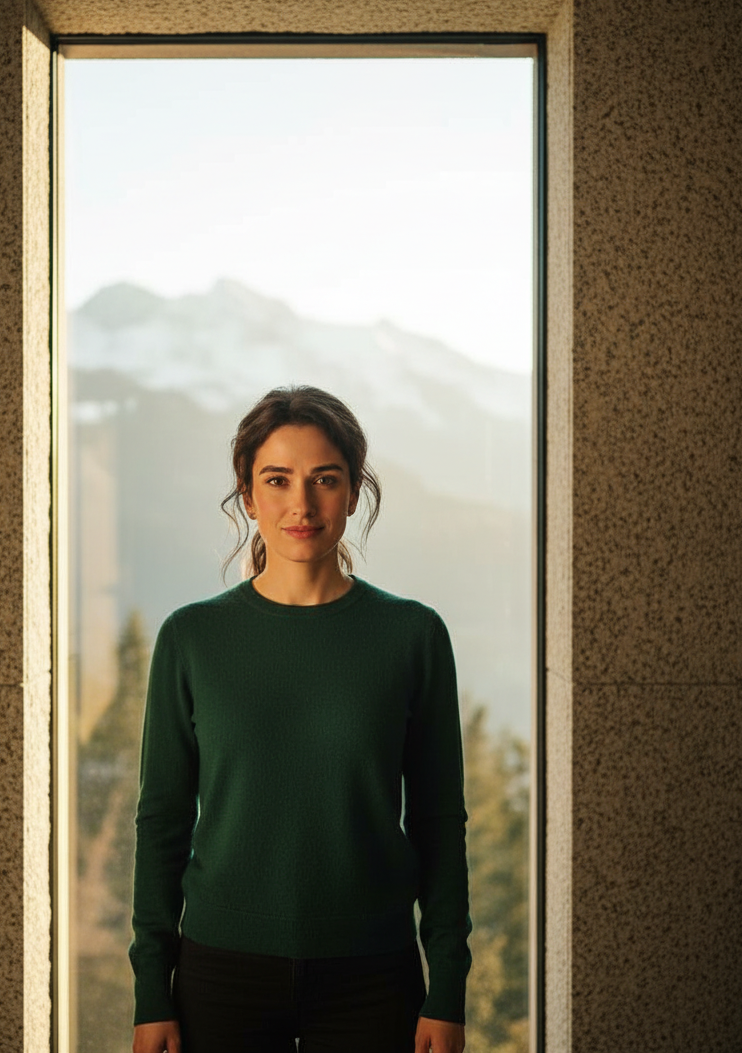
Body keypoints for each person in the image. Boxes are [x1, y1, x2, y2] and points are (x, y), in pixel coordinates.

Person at [130, 385, 471, 1053]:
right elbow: (162, 820)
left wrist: (448, 987)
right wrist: (150, 991)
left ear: (352, 492)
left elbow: (438, 822)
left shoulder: (412, 635)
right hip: (218, 975)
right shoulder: (192, 638)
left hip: (373, 978)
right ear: (249, 496)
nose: (302, 505)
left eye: (325, 480)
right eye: (277, 480)